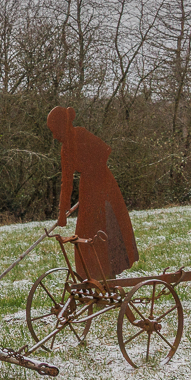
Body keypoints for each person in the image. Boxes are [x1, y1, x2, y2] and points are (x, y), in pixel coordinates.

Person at [46, 106, 138, 280]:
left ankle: (108, 274)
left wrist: (91, 171)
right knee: (85, 235)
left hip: (104, 188)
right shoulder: (65, 150)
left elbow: (105, 151)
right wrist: (62, 212)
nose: (55, 136)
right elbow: (66, 182)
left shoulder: (81, 135)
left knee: (104, 230)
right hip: (88, 191)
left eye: (55, 131)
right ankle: (92, 276)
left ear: (63, 126)